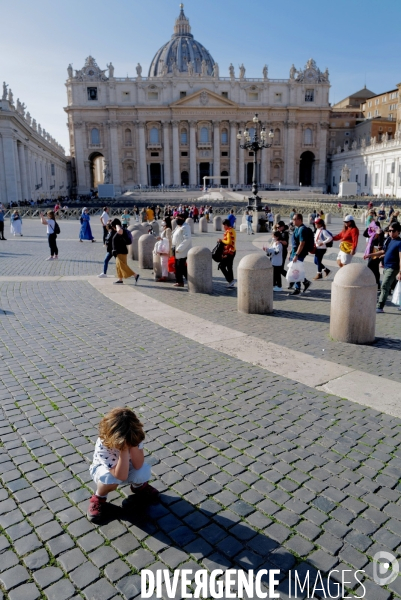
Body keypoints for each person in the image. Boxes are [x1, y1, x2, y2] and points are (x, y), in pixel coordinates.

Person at [87, 407, 159, 522]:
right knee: (110, 478)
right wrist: (124, 450)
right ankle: (99, 497)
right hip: (106, 471)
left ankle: (139, 487)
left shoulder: (134, 435)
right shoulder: (104, 444)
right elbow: (121, 476)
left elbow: (138, 464)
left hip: (126, 467)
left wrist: (133, 444)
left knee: (143, 470)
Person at [365, 221, 401, 313]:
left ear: (398, 231)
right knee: (394, 286)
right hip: (386, 267)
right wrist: (370, 254)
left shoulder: (400, 242)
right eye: (389, 231)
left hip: (393, 267)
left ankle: (379, 306)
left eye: (393, 231)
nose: (391, 233)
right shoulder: (389, 240)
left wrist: (400, 272)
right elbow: (383, 251)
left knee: (384, 286)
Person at [288, 214, 312, 296]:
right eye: (292, 219)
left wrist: (297, 254)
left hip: (300, 253)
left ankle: (297, 288)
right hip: (295, 252)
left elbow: (302, 243)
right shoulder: (296, 228)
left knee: (296, 270)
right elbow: (295, 242)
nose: (293, 221)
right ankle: (305, 282)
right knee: (295, 269)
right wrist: (291, 252)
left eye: (294, 219)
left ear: (300, 220)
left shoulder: (302, 229)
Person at [111, 218, 139, 285]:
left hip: (122, 251)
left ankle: (135, 275)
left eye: (113, 226)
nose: (113, 228)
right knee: (118, 266)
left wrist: (117, 225)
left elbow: (119, 231)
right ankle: (120, 279)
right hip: (118, 252)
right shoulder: (118, 231)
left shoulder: (121, 230)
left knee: (122, 266)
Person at [171, 214, 192, 287]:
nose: (176, 219)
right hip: (176, 250)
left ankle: (189, 281)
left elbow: (187, 239)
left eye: (178, 218)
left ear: (182, 218)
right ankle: (180, 281)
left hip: (182, 251)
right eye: (176, 217)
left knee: (181, 266)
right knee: (178, 266)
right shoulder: (178, 227)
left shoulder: (185, 227)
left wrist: (179, 248)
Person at [363, 221, 383, 290]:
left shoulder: (380, 233)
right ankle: (377, 284)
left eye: (372, 226)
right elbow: (364, 234)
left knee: (370, 266)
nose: (371, 228)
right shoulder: (372, 233)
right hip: (371, 252)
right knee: (375, 269)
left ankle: (373, 282)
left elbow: (380, 244)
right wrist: (368, 227)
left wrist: (379, 232)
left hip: (376, 253)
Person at [218, 218, 236, 288]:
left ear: (226, 225)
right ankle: (231, 281)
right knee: (229, 267)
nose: (223, 227)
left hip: (229, 252)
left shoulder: (229, 231)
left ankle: (230, 280)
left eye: (223, 225)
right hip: (233, 250)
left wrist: (221, 240)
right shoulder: (232, 230)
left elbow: (229, 242)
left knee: (222, 266)